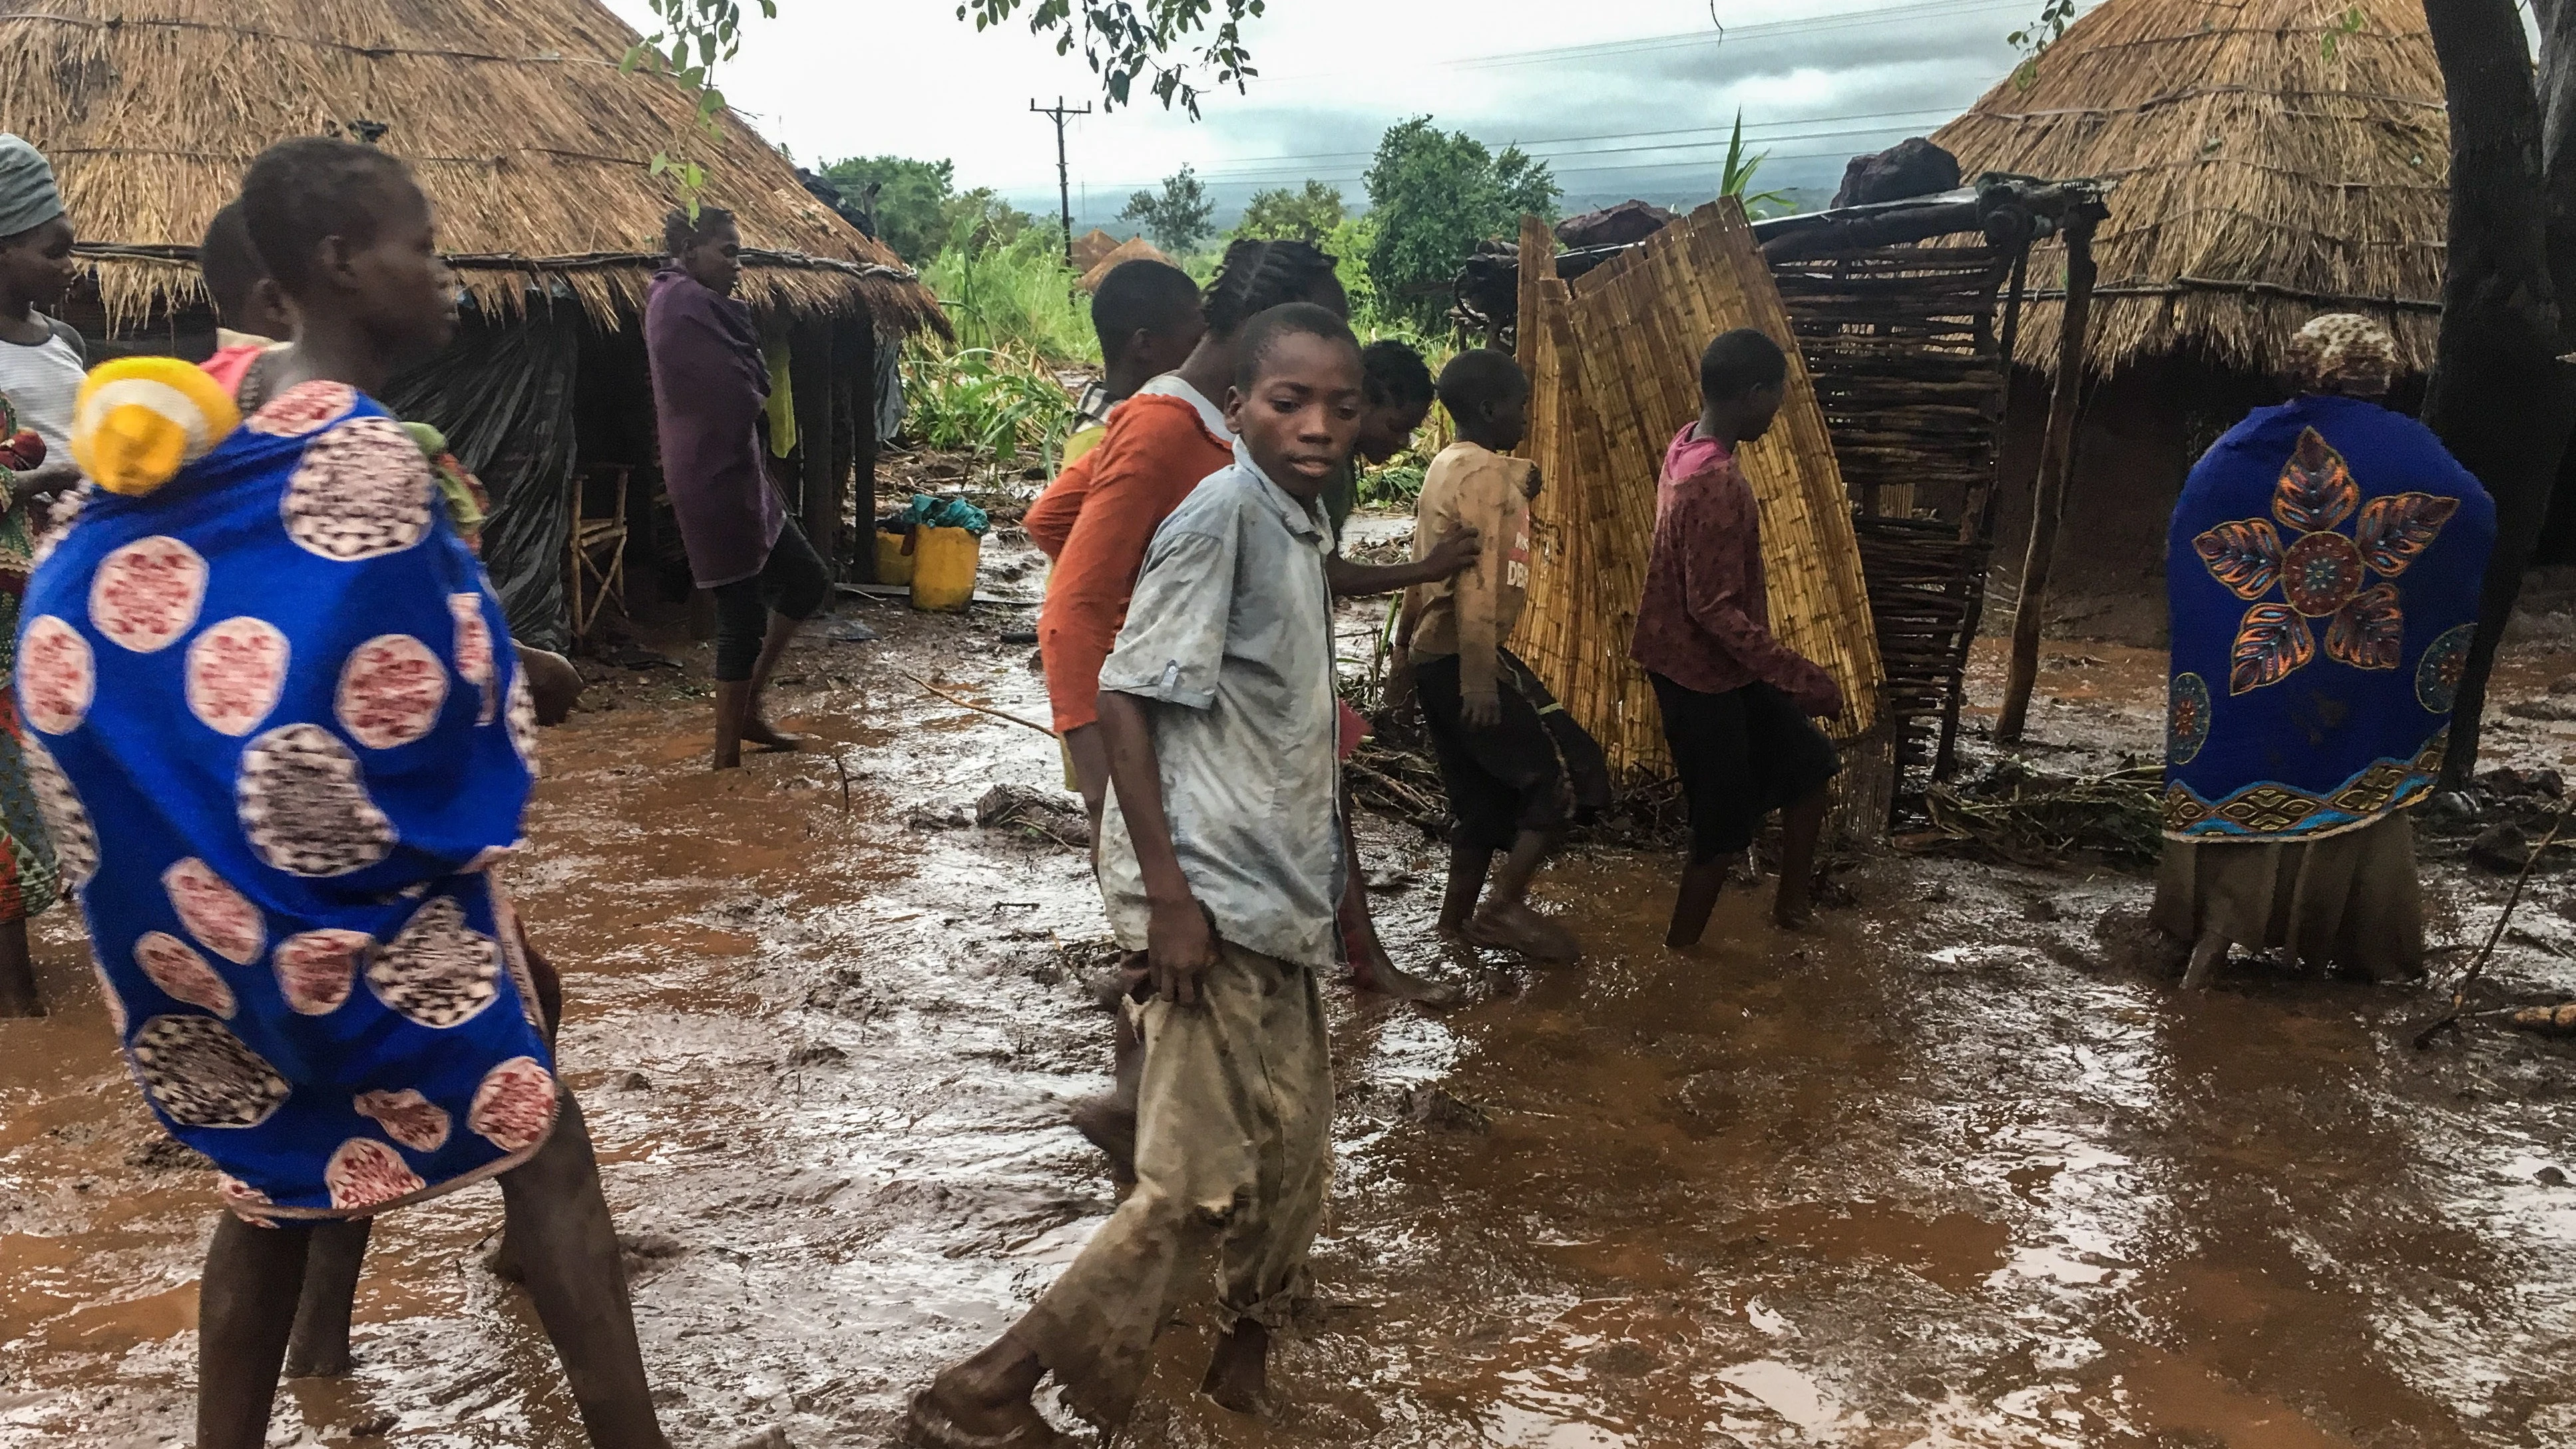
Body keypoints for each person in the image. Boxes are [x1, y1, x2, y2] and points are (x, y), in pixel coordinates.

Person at [19, 136, 672, 1449]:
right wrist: (522, 675)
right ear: (332, 267)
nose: (444, 278)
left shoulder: (215, 421)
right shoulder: (359, 453)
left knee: (269, 1179)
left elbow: (84, 623)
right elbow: (423, 693)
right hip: (355, 898)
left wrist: (186, 827)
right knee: (540, 1135)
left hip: (212, 901)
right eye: (419, 249)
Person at [905, 302, 1363, 1446]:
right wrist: (1167, 898)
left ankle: (1241, 1375)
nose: (1315, 424)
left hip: (1280, 898)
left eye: (1339, 407)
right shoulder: (1220, 518)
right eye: (1288, 400)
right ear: (1240, 407)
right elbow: (1122, 694)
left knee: (1294, 1158)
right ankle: (988, 1391)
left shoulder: (1297, 527)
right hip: (1213, 892)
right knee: (1191, 1185)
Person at [2155, 313, 2494, 988]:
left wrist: (2222, 621)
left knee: (2248, 760)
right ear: (2384, 373)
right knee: (2358, 768)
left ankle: (2216, 940)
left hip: (2263, 660)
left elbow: (2194, 530)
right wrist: (2402, 587)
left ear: (2301, 366)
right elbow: (2473, 512)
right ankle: (2367, 951)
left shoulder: (2247, 444)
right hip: (2359, 658)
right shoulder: (2414, 448)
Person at [197, 201, 581, 734]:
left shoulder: (184, 408)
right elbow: (390, 611)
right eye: (420, 251)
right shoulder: (350, 444)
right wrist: (522, 663)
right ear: (282, 299)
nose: (443, 275)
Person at [1636, 329, 1843, 946]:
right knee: (1720, 828)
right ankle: (1680, 959)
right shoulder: (1717, 481)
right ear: (1753, 393)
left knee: (1809, 768)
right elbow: (1714, 608)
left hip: (1705, 664)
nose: (1779, 408)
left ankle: (1792, 910)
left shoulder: (1685, 445)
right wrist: (1801, 676)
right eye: (1776, 395)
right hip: (1701, 672)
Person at [1395, 349, 1580, 960]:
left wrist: (1401, 653)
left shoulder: (1452, 464)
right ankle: (1501, 909)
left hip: (1435, 656)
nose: (1527, 415)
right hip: (1463, 657)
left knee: (1477, 801)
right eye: (1522, 405)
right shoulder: (1484, 479)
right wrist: (1479, 681)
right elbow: (1473, 585)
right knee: (1558, 783)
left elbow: (1426, 571)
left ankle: (1454, 925)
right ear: (1490, 407)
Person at [646, 205, 830, 770]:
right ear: (691, 252)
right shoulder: (683, 306)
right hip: (710, 475)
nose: (738, 265)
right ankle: (725, 760)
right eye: (728, 252)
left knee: (805, 581)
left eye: (740, 253)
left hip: (734, 468)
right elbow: (741, 389)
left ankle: (749, 705)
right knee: (740, 612)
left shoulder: (687, 303)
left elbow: (741, 379)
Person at [0, 134, 83, 1016]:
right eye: (52, 247)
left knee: (76, 771)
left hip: (74, 587)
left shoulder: (61, 341)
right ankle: (19, 1011)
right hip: (8, 596)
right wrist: (33, 483)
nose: (69, 261)